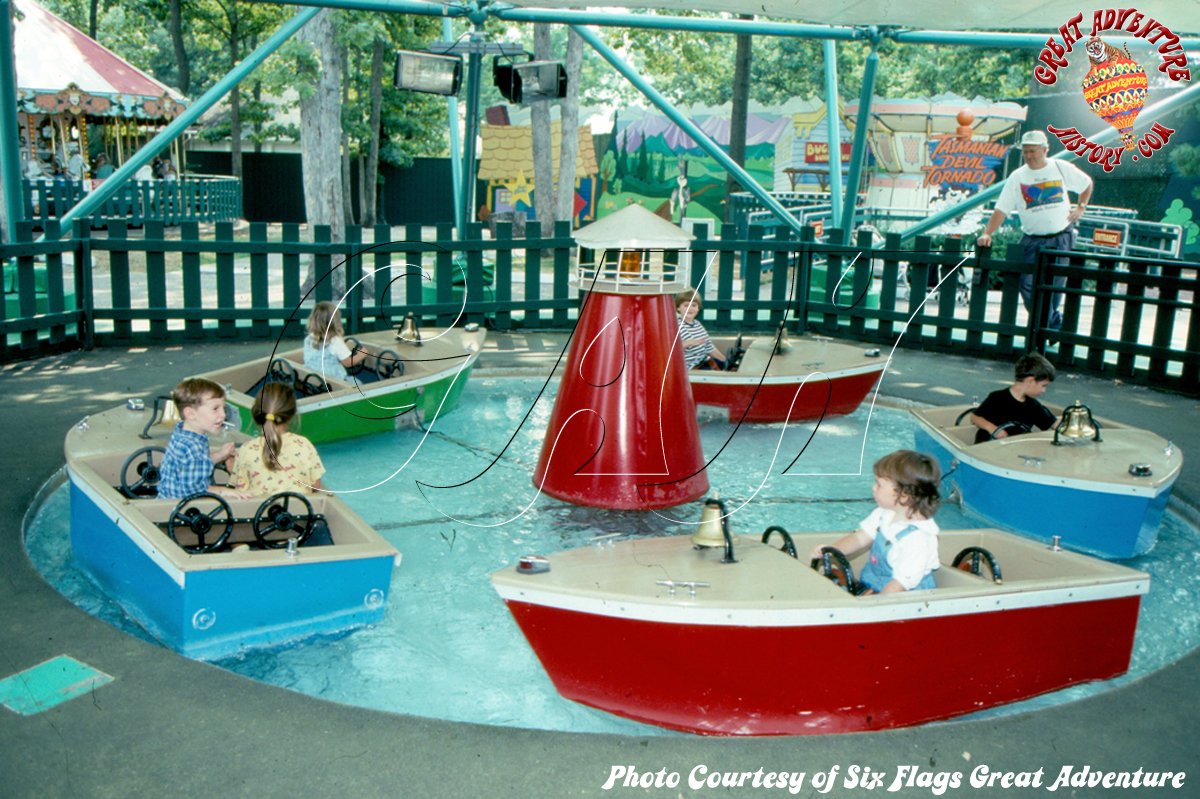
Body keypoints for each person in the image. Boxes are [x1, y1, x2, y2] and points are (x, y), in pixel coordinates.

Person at [976, 129, 1093, 331]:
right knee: (1026, 282)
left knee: (1055, 286)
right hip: (1032, 239)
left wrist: (1081, 206)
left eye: (1033, 151)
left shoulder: (1060, 167)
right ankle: (1051, 324)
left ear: (1045, 150)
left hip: (1061, 236)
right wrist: (988, 232)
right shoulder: (1018, 176)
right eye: (1025, 152)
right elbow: (1001, 208)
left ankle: (1044, 327)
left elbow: (1086, 183)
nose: (1029, 156)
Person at [809, 450, 941, 594]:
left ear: (904, 495)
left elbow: (900, 584)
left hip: (903, 599)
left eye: (879, 485)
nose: (873, 488)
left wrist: (872, 607)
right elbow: (859, 538)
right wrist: (833, 550)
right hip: (872, 586)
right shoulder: (883, 514)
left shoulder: (917, 539)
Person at [230, 382, 324, 496]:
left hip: (261, 512)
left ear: (256, 412)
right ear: (292, 414)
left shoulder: (246, 449)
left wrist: (232, 469)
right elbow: (315, 486)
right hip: (300, 511)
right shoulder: (304, 444)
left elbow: (241, 491)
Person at [158, 377, 244, 499]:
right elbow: (194, 491)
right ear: (191, 414)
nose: (223, 415)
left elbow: (195, 464)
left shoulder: (183, 433)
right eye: (215, 409)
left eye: (223, 408)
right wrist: (224, 491)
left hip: (165, 499)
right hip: (182, 509)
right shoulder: (192, 447)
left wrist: (220, 454)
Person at [970, 352, 1057, 444]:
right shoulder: (997, 398)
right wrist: (992, 428)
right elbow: (975, 417)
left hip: (1014, 450)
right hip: (987, 447)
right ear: (1030, 381)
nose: (1044, 390)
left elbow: (1053, 423)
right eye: (1044, 385)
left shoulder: (1033, 406)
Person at [303, 301, 369, 382]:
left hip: (312, 376)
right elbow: (348, 362)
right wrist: (361, 355)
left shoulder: (310, 338)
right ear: (335, 321)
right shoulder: (335, 341)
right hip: (332, 379)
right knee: (358, 383)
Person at [675, 292, 725, 370]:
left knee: (725, 365)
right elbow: (670, 349)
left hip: (704, 362)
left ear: (698, 308)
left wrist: (725, 360)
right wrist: (689, 343)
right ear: (678, 308)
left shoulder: (697, 324)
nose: (690, 308)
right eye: (686, 305)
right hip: (690, 368)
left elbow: (710, 347)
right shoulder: (676, 326)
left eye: (694, 305)